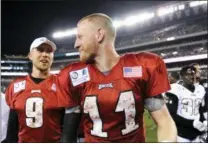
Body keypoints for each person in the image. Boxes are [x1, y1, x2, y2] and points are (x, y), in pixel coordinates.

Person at [58, 13, 177, 142]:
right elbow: (68, 133)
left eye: (80, 37)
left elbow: (164, 121)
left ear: (99, 35)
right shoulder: (74, 75)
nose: (76, 44)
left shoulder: (142, 67)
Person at [4, 37, 68, 142]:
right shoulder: (15, 86)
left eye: (49, 51)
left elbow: (68, 128)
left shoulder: (62, 85)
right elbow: (12, 129)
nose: (45, 54)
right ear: (30, 55)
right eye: (40, 50)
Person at [164, 65, 207, 142]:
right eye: (188, 74)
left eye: (193, 74)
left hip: (196, 134)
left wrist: (204, 120)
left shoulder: (200, 89)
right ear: (182, 76)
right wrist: (192, 123)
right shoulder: (175, 89)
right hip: (181, 134)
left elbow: (199, 110)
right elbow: (171, 115)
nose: (191, 77)